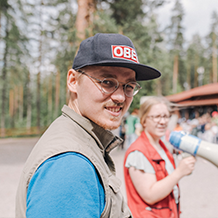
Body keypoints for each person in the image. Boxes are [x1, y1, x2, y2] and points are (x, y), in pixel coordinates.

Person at [15, 33, 161, 218]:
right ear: (73, 81)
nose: (121, 97)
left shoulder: (83, 141)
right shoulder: (69, 164)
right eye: (107, 82)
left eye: (129, 86)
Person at [123, 96, 196, 218]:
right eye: (157, 117)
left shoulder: (162, 146)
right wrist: (179, 172)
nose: (163, 122)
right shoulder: (138, 153)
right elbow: (150, 195)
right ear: (144, 120)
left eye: (166, 116)